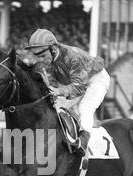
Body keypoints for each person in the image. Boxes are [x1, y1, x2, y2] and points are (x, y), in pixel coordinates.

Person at [25, 28, 110, 156]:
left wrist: (60, 91)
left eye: (43, 56)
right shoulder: (47, 62)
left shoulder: (73, 57)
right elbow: (53, 85)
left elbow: (78, 87)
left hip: (96, 79)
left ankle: (83, 143)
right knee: (58, 106)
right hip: (75, 83)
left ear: (53, 49)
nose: (41, 60)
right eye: (37, 57)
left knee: (85, 108)